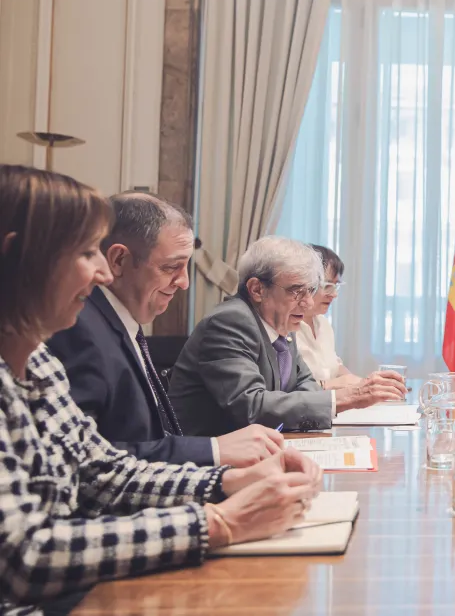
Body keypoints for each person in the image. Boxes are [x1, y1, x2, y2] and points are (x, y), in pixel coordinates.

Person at [0, 165, 321, 614]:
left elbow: (103, 473)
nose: (101, 273)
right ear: (18, 258)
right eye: (85, 252)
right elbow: (24, 556)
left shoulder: (39, 364)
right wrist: (218, 522)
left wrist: (229, 481)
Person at [48, 192, 284, 467]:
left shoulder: (118, 320)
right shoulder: (79, 329)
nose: (184, 282)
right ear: (119, 261)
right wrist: (214, 451)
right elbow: (87, 459)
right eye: (171, 267)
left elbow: (152, 437)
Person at [168, 236, 405, 436]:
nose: (308, 302)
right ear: (257, 289)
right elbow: (251, 407)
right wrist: (349, 396)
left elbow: (306, 385)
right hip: (204, 461)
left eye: (311, 290)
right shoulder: (230, 322)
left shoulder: (282, 324)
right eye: (296, 291)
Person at [295, 244, 401, 396]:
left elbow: (335, 366)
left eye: (336, 286)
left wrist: (364, 383)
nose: (334, 294)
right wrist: (333, 384)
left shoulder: (323, 323)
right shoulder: (285, 328)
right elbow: (286, 391)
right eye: (328, 286)